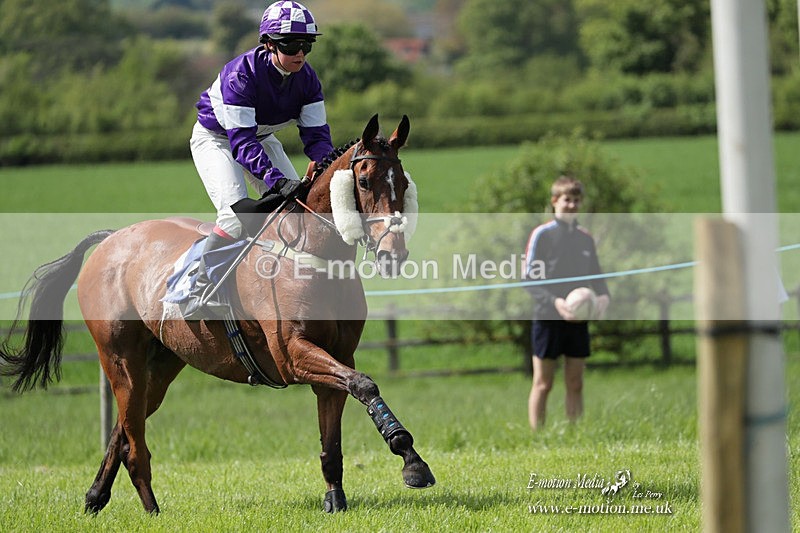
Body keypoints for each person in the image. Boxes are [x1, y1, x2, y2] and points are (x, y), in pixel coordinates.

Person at [185, 1, 334, 318]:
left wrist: (330, 171)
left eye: (307, 45)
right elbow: (241, 144)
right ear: (269, 44)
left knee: (298, 209)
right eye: (291, 45)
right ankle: (198, 287)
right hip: (217, 140)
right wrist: (276, 181)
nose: (300, 53)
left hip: (260, 138)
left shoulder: (307, 79)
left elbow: (317, 138)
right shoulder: (241, 75)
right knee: (234, 218)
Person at [524, 176, 610, 430]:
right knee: (543, 383)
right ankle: (537, 436)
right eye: (567, 200)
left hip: (578, 319)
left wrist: (603, 296)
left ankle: (576, 434)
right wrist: (556, 302)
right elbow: (528, 279)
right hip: (547, 317)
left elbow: (596, 275)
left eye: (576, 200)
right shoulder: (542, 235)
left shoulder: (585, 238)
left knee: (575, 382)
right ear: (555, 201)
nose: (572, 205)